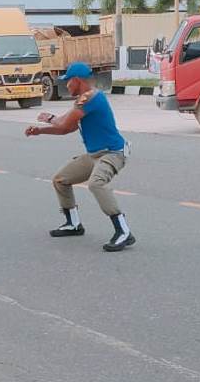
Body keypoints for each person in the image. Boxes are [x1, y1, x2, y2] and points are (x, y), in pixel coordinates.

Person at [26, 62, 134, 252]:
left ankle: (123, 231)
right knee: (60, 180)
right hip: (94, 155)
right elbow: (67, 128)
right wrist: (40, 132)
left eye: (68, 81)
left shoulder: (90, 98)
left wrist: (49, 118)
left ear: (76, 80)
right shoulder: (85, 100)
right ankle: (73, 224)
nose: (66, 85)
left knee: (96, 183)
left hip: (112, 153)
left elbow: (63, 122)